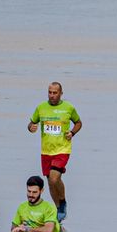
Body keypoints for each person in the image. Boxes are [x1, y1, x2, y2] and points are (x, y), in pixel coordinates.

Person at [27, 82, 81, 221]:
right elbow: (32, 123)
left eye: (55, 93)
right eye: (50, 92)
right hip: (46, 151)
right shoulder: (41, 108)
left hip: (62, 149)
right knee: (51, 182)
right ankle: (57, 210)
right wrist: (31, 127)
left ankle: (62, 202)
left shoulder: (68, 108)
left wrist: (72, 133)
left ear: (61, 93)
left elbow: (79, 123)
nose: (52, 95)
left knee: (54, 178)